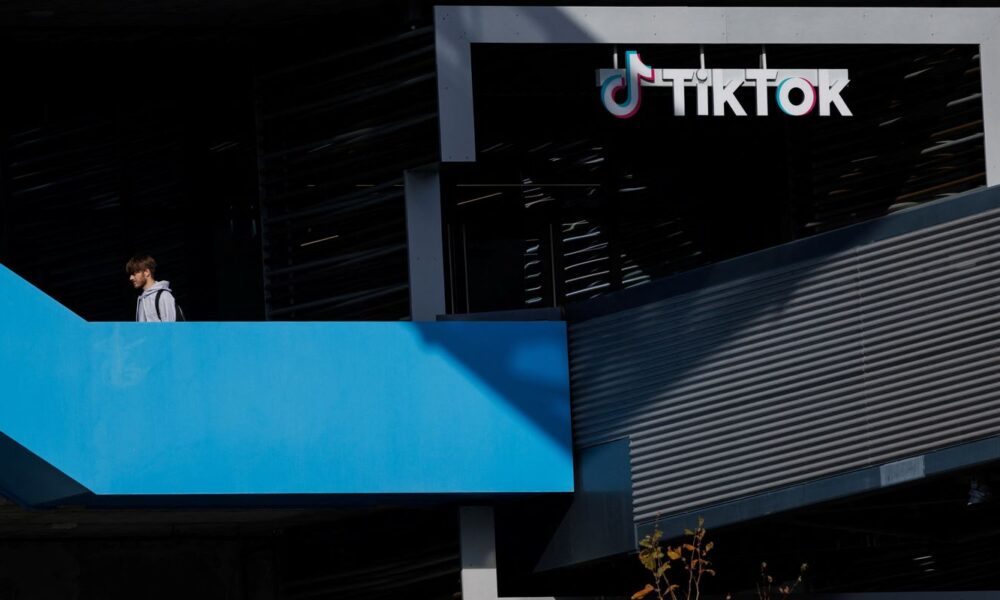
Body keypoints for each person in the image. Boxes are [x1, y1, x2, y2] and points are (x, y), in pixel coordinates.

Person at [126, 254, 180, 322]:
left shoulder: (164, 296)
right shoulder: (141, 300)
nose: (131, 278)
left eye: (134, 274)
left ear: (147, 272)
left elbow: (171, 326)